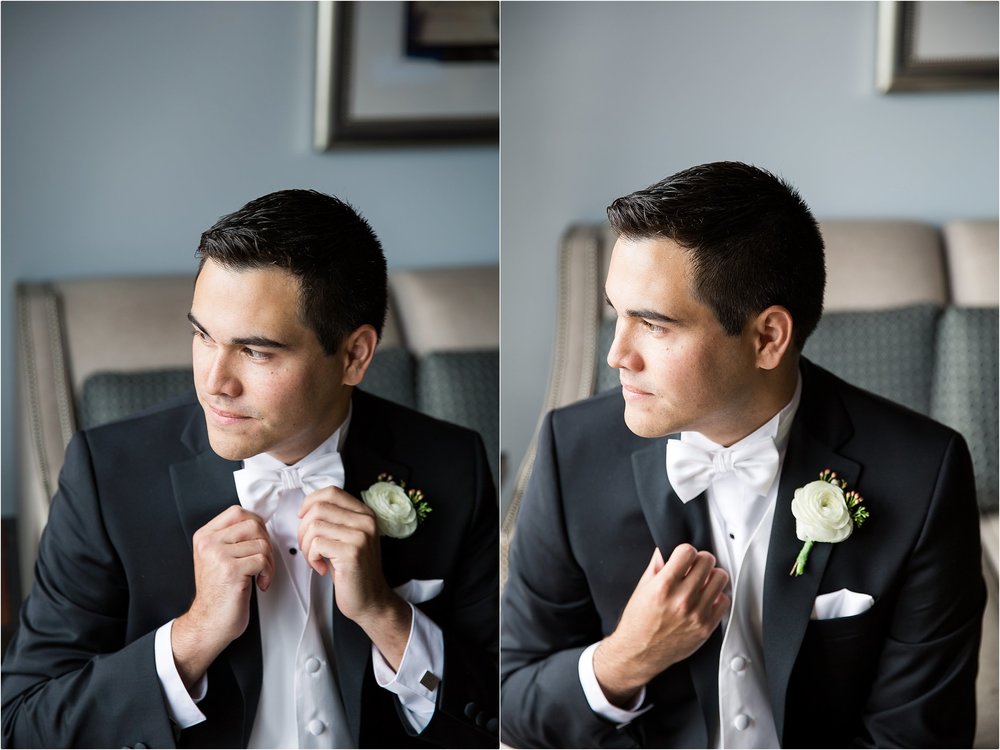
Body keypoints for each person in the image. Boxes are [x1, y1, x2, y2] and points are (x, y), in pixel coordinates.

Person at [501, 162, 986, 748]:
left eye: (653, 325)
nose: (617, 356)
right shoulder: (570, 451)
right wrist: (624, 660)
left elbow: (917, 739)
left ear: (767, 338)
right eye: (616, 314)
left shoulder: (922, 472)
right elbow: (513, 699)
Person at [2, 190, 499, 748]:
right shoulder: (107, 474)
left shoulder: (454, 465)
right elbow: (23, 724)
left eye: (257, 352)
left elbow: (503, 712)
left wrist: (387, 615)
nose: (214, 381)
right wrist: (192, 637)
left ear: (356, 356)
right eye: (202, 335)